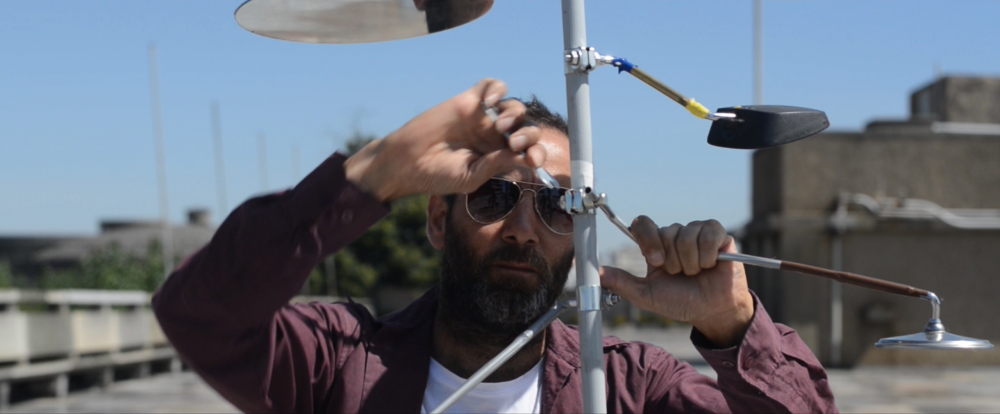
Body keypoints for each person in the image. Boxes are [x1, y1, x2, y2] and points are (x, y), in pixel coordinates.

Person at [152, 79, 837, 413]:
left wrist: (733, 329)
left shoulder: (628, 389)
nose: (523, 227)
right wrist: (372, 174)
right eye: (493, 196)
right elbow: (200, 316)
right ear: (435, 220)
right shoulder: (338, 366)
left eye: (559, 204)